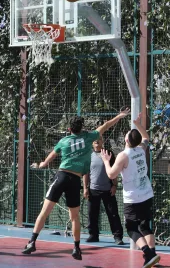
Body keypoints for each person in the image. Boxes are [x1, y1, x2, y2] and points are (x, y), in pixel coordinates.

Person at [22, 108, 130, 261]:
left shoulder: (64, 141)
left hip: (62, 176)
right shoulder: (88, 137)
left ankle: (32, 242)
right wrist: (120, 115)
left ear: (69, 129)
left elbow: (53, 154)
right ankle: (76, 248)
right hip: (75, 180)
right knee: (74, 217)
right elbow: (106, 125)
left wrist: (42, 164)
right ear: (82, 127)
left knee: (44, 212)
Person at [101, 112, 161, 268]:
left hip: (133, 198)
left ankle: (149, 254)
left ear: (126, 140)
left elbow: (111, 174)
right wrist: (137, 123)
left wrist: (106, 161)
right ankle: (152, 257)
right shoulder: (141, 149)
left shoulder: (123, 155)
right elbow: (146, 136)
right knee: (145, 226)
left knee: (131, 228)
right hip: (147, 194)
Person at [83, 136, 124, 245]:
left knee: (113, 214)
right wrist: (85, 188)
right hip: (93, 190)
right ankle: (93, 235)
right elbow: (86, 173)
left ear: (103, 141)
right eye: (94, 139)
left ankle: (118, 237)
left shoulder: (108, 154)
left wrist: (114, 185)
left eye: (99, 139)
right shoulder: (88, 156)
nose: (96, 141)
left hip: (108, 190)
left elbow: (114, 170)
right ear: (92, 143)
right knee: (92, 214)